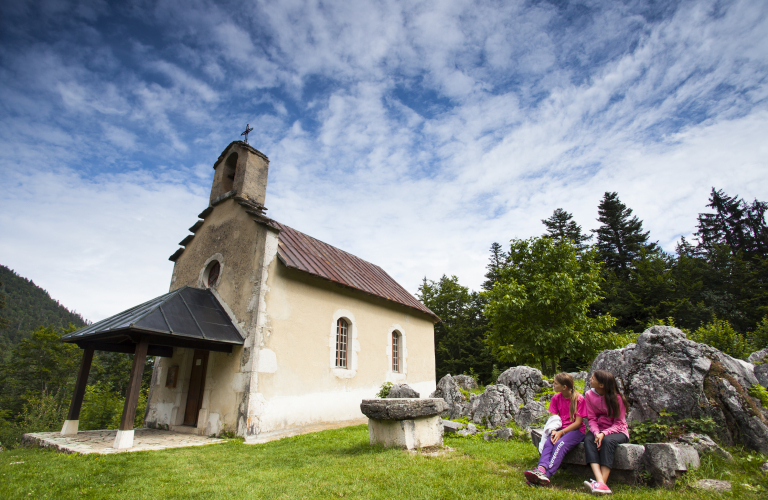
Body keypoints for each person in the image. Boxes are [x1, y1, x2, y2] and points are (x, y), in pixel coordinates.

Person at [524, 373, 586, 486]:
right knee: (549, 442)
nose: (553, 384)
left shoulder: (579, 399)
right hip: (559, 429)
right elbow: (554, 419)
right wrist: (553, 432)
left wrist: (561, 432)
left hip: (575, 431)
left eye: (556, 383)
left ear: (564, 387)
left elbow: (578, 423)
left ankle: (546, 475)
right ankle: (541, 469)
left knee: (560, 445)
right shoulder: (556, 398)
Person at [583, 370, 629, 495]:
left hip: (618, 431)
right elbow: (591, 419)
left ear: (602, 385)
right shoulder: (588, 395)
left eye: (593, 378)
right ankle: (600, 482)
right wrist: (597, 432)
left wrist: (604, 434)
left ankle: (601, 483)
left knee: (607, 442)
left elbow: (619, 423)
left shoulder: (618, 398)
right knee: (588, 440)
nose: (590, 380)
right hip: (597, 429)